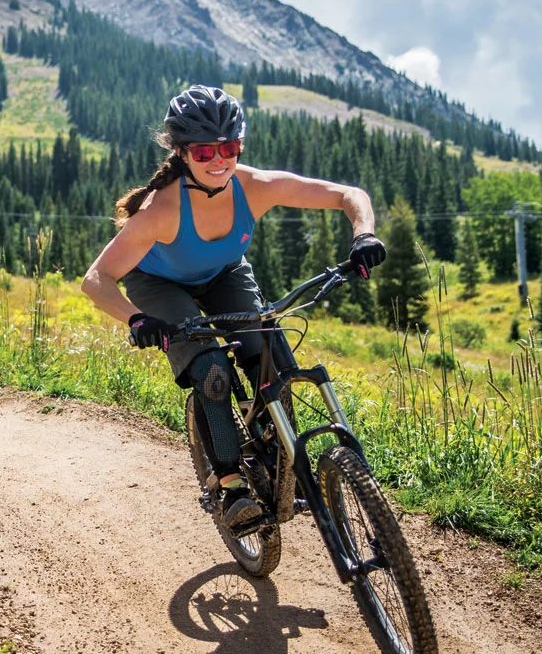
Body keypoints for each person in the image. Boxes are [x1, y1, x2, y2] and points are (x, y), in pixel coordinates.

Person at [81, 85, 385, 530]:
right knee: (212, 372)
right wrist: (137, 319)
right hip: (160, 283)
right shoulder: (161, 211)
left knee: (272, 356)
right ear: (182, 153)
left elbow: (348, 195)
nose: (219, 160)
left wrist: (364, 234)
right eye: (205, 152)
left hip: (224, 273)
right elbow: (96, 279)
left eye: (229, 147)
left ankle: (278, 455)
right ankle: (230, 486)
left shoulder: (255, 187)